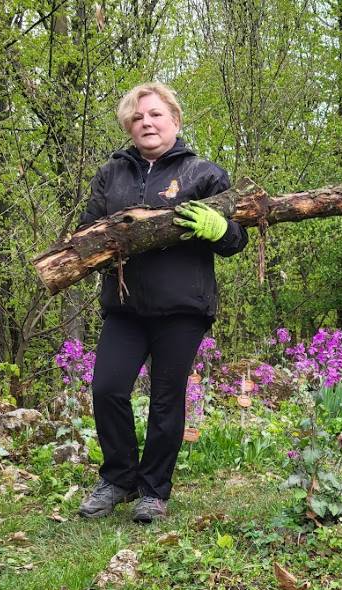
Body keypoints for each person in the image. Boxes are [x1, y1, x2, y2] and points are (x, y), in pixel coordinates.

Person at [76, 82, 248, 523]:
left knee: (166, 398)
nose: (146, 123)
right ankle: (119, 478)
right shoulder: (110, 175)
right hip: (125, 307)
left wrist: (219, 229)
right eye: (137, 117)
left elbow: (235, 241)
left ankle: (154, 490)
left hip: (182, 308)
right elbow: (85, 236)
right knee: (108, 388)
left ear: (174, 120)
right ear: (128, 127)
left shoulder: (204, 174)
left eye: (155, 115)